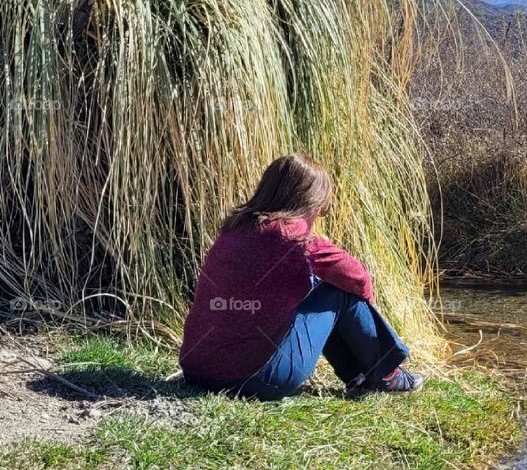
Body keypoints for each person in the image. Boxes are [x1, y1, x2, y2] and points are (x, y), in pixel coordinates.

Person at [179, 153, 424, 400]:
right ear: (310, 203)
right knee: (338, 291)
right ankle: (384, 374)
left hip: (196, 371)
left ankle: (360, 376)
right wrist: (360, 311)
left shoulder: (232, 230)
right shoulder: (294, 238)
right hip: (256, 382)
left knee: (319, 287)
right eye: (319, 209)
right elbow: (359, 279)